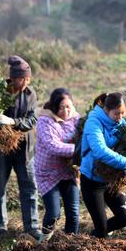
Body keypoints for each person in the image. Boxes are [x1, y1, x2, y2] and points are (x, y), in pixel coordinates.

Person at [0, 55, 41, 240]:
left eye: (28, 79)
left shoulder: (31, 94)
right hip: (0, 148)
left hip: (24, 149)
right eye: (22, 79)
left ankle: (32, 226)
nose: (26, 82)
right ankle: (1, 225)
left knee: (29, 187)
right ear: (13, 78)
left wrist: (13, 122)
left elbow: (32, 120)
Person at [79, 92, 126, 238]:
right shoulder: (94, 122)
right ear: (106, 110)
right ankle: (92, 243)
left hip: (111, 180)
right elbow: (99, 150)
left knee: (125, 218)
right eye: (117, 114)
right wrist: (125, 163)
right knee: (102, 229)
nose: (121, 117)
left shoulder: (120, 122)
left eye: (123, 113)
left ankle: (97, 236)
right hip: (92, 182)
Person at [35, 88, 80, 242]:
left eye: (69, 106)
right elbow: (53, 146)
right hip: (48, 172)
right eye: (62, 107)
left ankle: (70, 243)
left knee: (73, 212)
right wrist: (80, 150)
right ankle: (44, 242)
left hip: (68, 171)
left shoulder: (77, 119)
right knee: (54, 213)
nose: (66, 111)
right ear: (54, 107)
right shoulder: (44, 121)